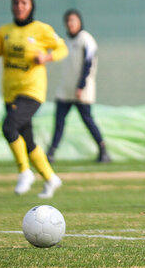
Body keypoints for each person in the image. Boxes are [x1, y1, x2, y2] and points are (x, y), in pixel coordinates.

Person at [0, 0, 68, 198]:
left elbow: (62, 48)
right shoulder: (5, 31)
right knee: (27, 141)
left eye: (24, 3)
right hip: (11, 93)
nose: (19, 6)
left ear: (31, 6)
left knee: (9, 126)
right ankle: (50, 178)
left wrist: (46, 58)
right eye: (16, 2)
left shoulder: (41, 29)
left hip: (32, 90)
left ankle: (24, 172)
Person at [46, 9, 111, 164]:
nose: (71, 24)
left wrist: (81, 85)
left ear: (80, 22)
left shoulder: (86, 39)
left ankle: (103, 150)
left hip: (82, 90)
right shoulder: (65, 42)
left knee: (87, 120)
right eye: (68, 21)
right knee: (59, 121)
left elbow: (88, 63)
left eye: (73, 20)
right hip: (65, 89)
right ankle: (51, 152)